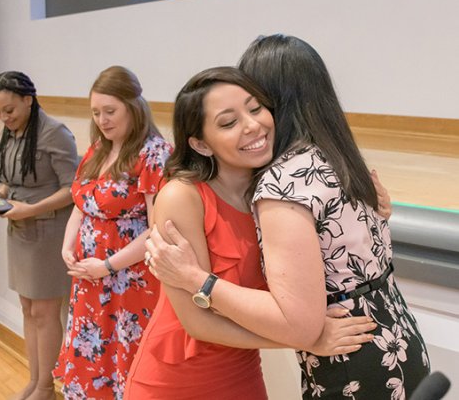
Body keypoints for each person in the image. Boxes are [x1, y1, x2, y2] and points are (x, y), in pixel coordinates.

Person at [145, 35, 429, 399]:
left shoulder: (283, 183)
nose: (251, 125)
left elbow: (297, 313)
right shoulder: (330, 162)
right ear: (200, 142)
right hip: (394, 341)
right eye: (229, 120)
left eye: (256, 106)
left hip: (344, 357)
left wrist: (199, 280)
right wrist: (308, 334)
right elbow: (195, 321)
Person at [53, 66, 172, 399]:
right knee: (94, 364)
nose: (102, 120)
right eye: (96, 112)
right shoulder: (98, 149)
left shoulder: (153, 154)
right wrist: (67, 246)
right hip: (89, 280)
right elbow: (82, 203)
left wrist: (106, 266)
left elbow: (155, 229)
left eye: (110, 111)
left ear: (133, 107)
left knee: (126, 364)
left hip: (128, 282)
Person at [0, 71, 79, 400]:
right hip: (20, 229)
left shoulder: (54, 133)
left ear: (28, 99)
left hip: (48, 231)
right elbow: (14, 180)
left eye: (9, 110)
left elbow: (73, 189)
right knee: (28, 309)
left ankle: (46, 386)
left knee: (44, 311)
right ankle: (34, 379)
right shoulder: (12, 133)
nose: (4, 117)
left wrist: (31, 208)